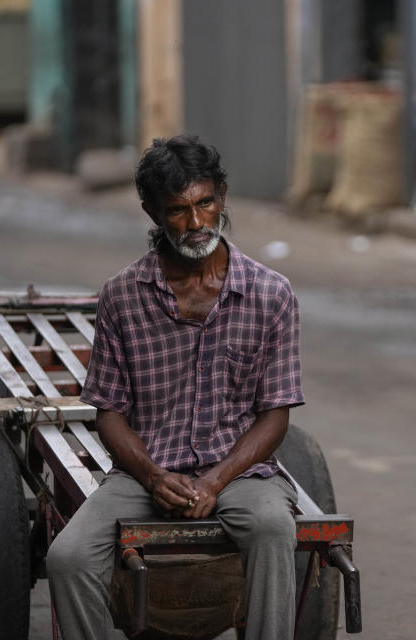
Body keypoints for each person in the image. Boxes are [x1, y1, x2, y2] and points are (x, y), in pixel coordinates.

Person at [46, 135, 304, 640]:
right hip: (145, 475)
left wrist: (214, 481)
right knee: (67, 558)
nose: (195, 224)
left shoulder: (272, 293)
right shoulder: (122, 295)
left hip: (240, 475)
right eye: (178, 210)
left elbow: (275, 413)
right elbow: (110, 413)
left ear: (222, 196)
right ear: (152, 212)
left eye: (205, 204)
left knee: (274, 529)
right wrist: (151, 475)